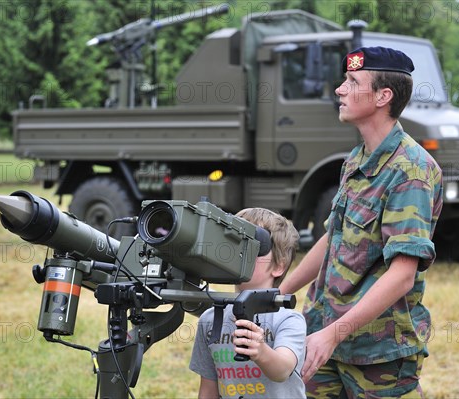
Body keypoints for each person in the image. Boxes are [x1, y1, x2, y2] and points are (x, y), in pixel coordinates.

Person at [279, 46, 443, 398]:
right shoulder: (356, 159)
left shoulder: (410, 171)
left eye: (353, 82)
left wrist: (333, 334)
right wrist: (280, 292)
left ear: (384, 96)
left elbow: (401, 276)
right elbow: (333, 238)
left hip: (377, 352)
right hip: (323, 333)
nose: (340, 89)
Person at [189, 208, 306, 399]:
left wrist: (260, 351)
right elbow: (208, 391)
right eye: (235, 244)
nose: (240, 254)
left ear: (279, 265)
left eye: (254, 247)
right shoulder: (210, 320)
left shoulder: (289, 319)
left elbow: (283, 370)